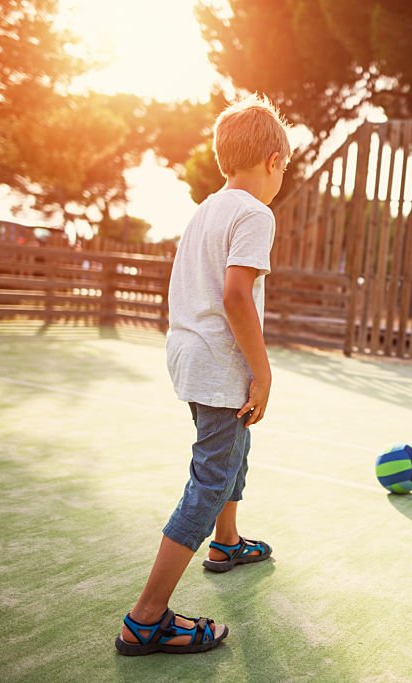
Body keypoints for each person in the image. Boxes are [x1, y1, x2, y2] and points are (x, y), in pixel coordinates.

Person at [115, 94, 291, 656]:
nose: (281, 177)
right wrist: (262, 372)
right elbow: (236, 295)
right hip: (220, 361)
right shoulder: (255, 213)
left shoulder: (205, 208)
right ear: (272, 160)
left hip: (189, 356)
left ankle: (227, 544)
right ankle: (146, 619)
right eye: (284, 166)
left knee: (233, 451)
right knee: (211, 478)